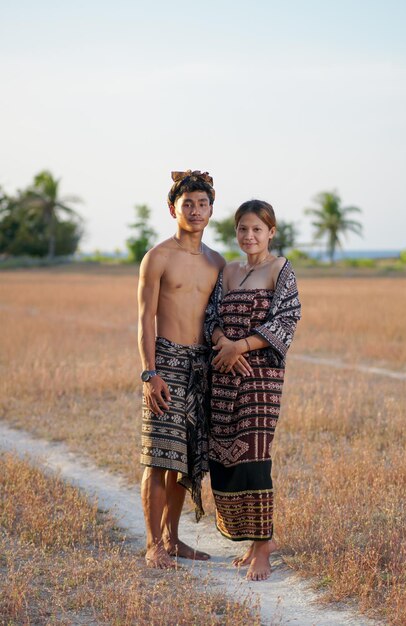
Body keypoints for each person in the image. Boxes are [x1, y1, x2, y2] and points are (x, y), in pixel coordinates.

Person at [138, 171, 251, 569]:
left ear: (211, 210)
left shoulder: (217, 263)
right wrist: (149, 373)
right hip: (166, 363)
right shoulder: (158, 257)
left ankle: (173, 539)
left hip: (202, 367)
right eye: (188, 204)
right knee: (158, 457)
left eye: (203, 204)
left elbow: (221, 317)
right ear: (174, 209)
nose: (196, 210)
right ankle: (153, 544)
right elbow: (145, 319)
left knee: (185, 462)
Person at [205, 199, 301, 581]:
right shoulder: (227, 271)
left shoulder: (281, 270)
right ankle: (253, 541)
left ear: (271, 232)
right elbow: (209, 317)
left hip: (260, 377)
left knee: (256, 458)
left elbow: (287, 319)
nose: (249, 236)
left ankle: (263, 549)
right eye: (243, 229)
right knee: (228, 458)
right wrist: (222, 342)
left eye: (257, 229)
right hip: (224, 375)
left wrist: (240, 347)